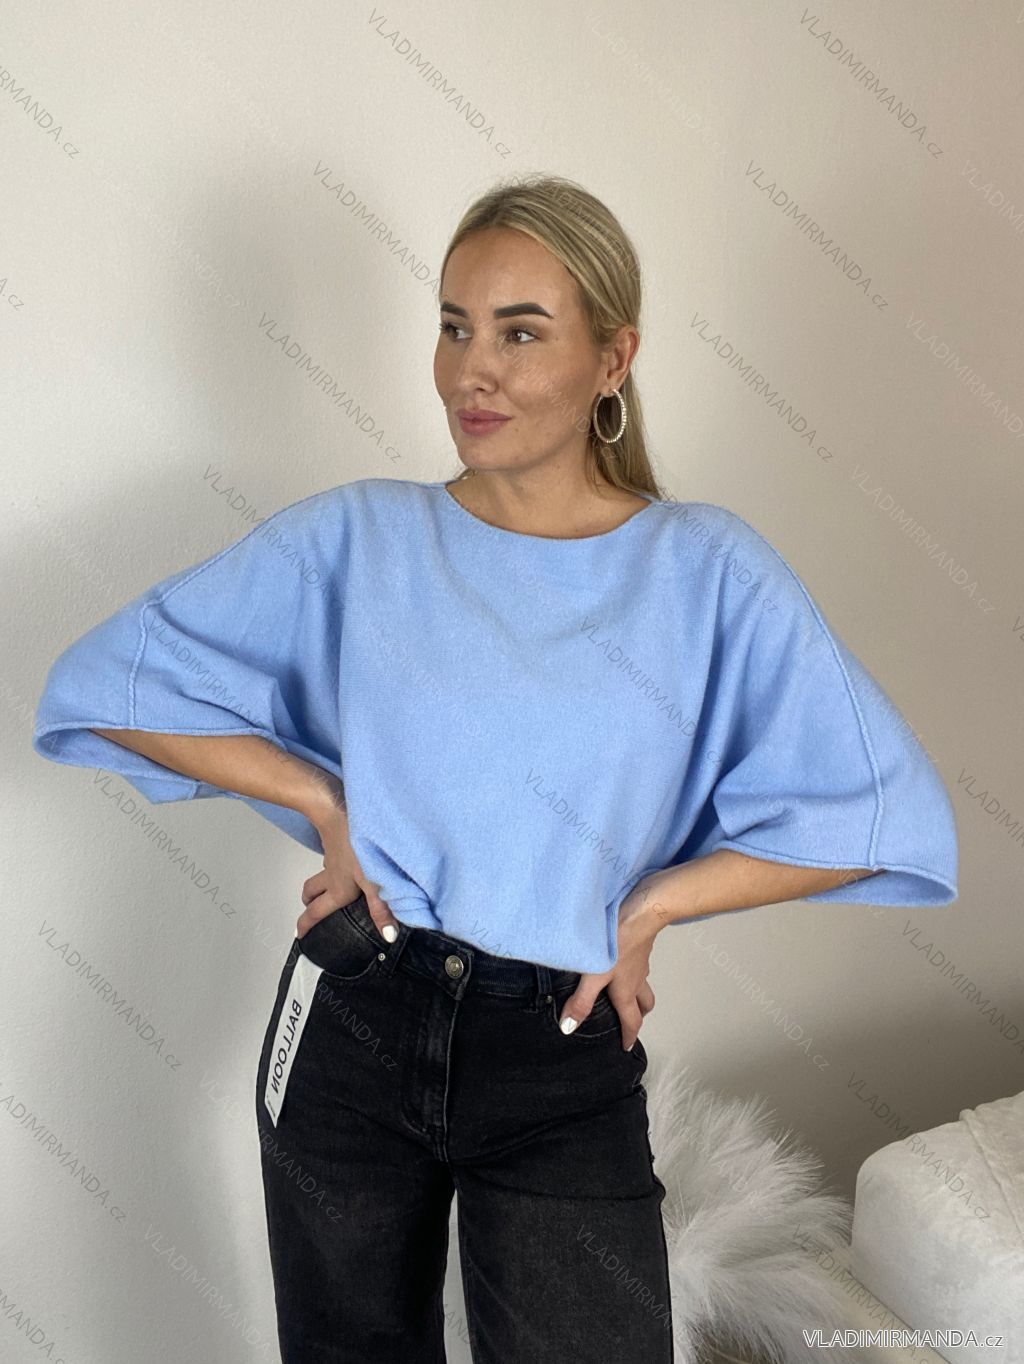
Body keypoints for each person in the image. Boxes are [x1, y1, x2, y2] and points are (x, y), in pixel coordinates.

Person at [32, 174, 958, 1363]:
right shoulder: (360, 537)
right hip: (355, 1011)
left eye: (520, 332)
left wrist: (651, 906)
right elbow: (108, 683)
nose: (473, 370)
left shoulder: (705, 571)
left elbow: (880, 811)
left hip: (557, 1047)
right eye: (455, 326)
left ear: (612, 358)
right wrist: (322, 800)